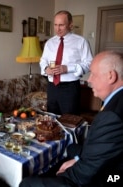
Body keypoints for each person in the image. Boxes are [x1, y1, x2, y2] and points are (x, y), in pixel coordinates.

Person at [19, 50, 123, 187]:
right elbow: (100, 148)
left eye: (93, 74)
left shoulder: (112, 117)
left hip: (107, 177)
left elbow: (82, 176)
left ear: (111, 76)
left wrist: (62, 174)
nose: (89, 80)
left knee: (27, 182)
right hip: (101, 158)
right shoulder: (115, 100)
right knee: (66, 147)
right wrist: (77, 157)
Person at [40, 10, 93, 115]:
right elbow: (43, 60)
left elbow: (90, 63)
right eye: (55, 25)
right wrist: (46, 69)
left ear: (70, 25)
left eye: (61, 25)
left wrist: (68, 68)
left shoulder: (81, 41)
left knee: (70, 119)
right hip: (52, 86)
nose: (57, 29)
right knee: (52, 118)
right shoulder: (49, 43)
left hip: (70, 87)